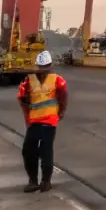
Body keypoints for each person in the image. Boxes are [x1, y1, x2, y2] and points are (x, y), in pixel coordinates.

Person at [18, 50, 67, 193]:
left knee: (45, 151)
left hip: (50, 121)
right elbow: (22, 98)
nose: (42, 71)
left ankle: (46, 181)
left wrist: (61, 112)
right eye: (40, 67)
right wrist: (27, 116)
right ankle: (33, 181)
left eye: (45, 67)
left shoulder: (57, 80)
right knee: (28, 151)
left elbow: (64, 96)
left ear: (50, 66)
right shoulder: (29, 80)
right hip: (34, 122)